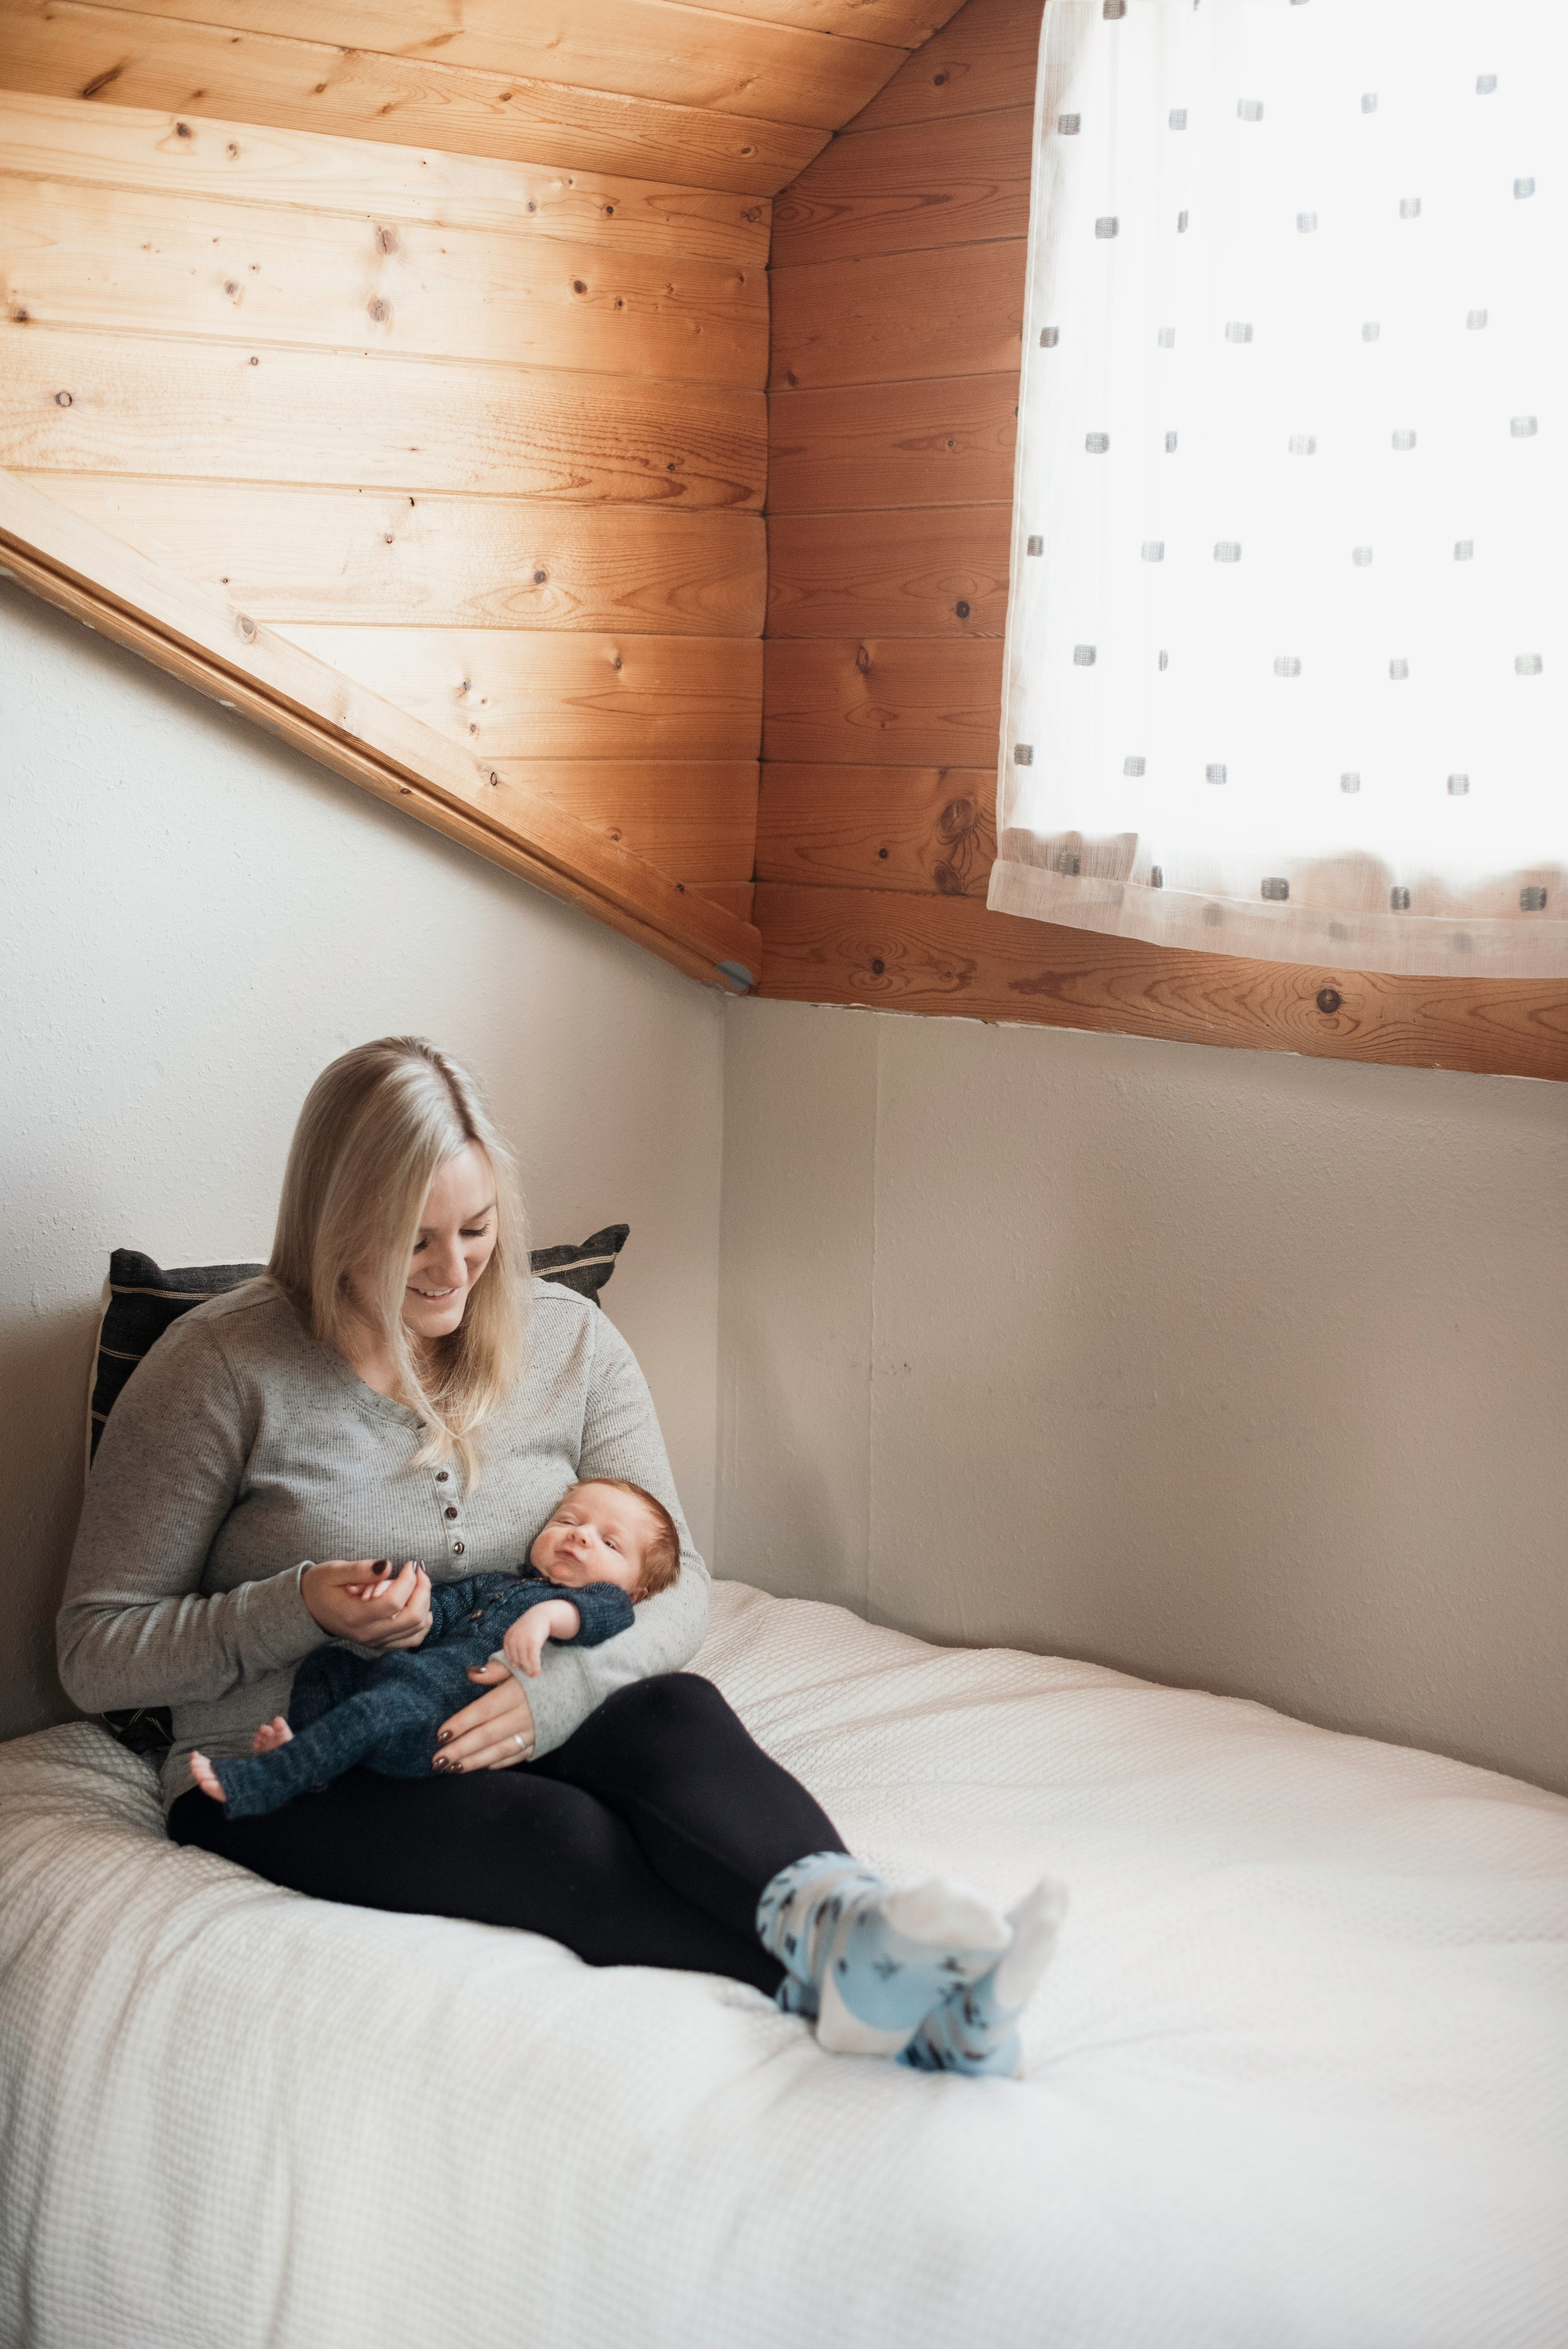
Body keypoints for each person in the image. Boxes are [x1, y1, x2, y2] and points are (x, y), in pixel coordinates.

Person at [58, 1037, 1061, 2074]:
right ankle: (880, 1998)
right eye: (414, 1242)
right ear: (334, 1225)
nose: (455, 1271)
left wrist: (559, 1699)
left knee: (677, 1712)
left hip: (514, 1695)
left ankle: (861, 1930)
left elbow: (682, 1588)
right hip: (291, 1760)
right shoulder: (217, 1372)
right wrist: (300, 1605)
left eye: (478, 1230)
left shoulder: (570, 1343)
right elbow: (93, 1655)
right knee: (560, 1838)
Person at [186, 1479, 678, 1819]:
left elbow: (602, 1616)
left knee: (372, 1713)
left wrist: (549, 1616)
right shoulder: (496, 1583)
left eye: (610, 1544)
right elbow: (438, 1614)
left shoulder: (600, 1602)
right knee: (328, 1664)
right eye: (570, 1519)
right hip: (402, 1677)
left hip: (441, 1718)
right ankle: (316, 1755)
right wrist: (406, 1603)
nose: (581, 1534)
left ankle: (266, 1778)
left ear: (637, 1591)